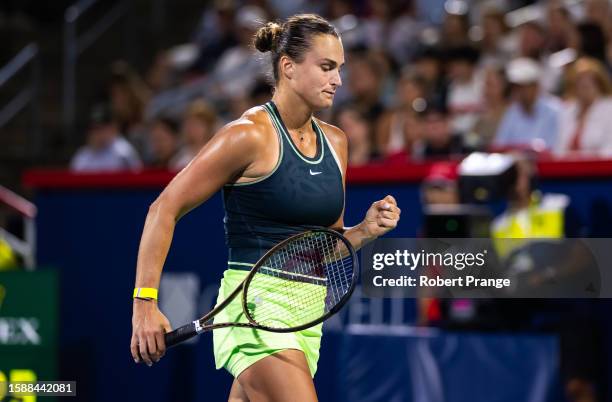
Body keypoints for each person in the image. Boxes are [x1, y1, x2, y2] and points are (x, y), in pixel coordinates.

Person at [130, 14, 401, 402]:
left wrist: (364, 231)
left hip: (307, 317)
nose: (338, 79)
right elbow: (163, 208)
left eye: (339, 69)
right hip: (253, 308)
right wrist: (144, 303)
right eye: (326, 67)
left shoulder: (337, 143)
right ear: (288, 67)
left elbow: (324, 246)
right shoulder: (247, 135)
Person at [493, 58, 562, 152]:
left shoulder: (555, 110)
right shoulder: (512, 111)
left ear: (535, 86)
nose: (518, 91)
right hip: (515, 164)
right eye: (516, 87)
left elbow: (553, 148)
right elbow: (499, 146)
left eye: (523, 86)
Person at [556, 57, 612, 157]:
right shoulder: (568, 110)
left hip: (600, 169)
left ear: (599, 84)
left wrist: (583, 158)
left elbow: (609, 150)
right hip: (567, 169)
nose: (584, 85)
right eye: (580, 82)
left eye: (590, 82)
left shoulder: (609, 109)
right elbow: (559, 149)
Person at [70, 103, 142, 172]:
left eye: (101, 128)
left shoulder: (123, 153)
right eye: (93, 128)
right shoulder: (82, 156)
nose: (97, 133)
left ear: (113, 127)